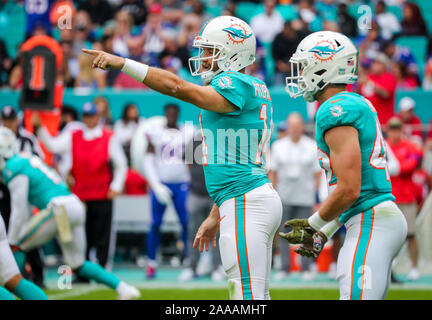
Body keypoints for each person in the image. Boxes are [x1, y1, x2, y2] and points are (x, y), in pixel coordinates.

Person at [82, 15, 282, 300]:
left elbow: (177, 87)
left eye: (210, 51)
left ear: (233, 53)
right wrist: (216, 214)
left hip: (246, 200)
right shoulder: (249, 87)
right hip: (248, 196)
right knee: (256, 295)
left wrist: (124, 63)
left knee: (246, 296)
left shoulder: (233, 83)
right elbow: (234, 164)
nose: (202, 58)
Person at [281, 31, 407, 300]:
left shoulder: (335, 108)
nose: (300, 73)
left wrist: (313, 224)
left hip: (370, 220)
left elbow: (349, 189)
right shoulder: (353, 102)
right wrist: (324, 231)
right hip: (374, 218)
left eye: (304, 66)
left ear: (323, 66)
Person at [0, 127, 139, 300]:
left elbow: (20, 210)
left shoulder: (13, 168)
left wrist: (12, 239)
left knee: (17, 245)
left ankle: (15, 289)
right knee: (77, 263)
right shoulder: (25, 158)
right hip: (73, 204)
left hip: (59, 208)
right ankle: (123, 288)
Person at [34, 102, 128, 270]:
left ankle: (103, 268)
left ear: (97, 117)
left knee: (103, 235)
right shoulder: (74, 135)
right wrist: (40, 129)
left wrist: (116, 185)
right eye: (86, 116)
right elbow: (53, 146)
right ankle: (82, 270)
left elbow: (121, 164)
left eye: (91, 116)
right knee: (82, 235)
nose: (88, 119)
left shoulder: (108, 136)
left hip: (102, 193)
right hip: (80, 195)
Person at [141, 103, 193, 279]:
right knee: (155, 224)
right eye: (168, 112)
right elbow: (147, 160)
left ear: (178, 114)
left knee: (187, 223)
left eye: (174, 112)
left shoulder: (187, 132)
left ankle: (189, 262)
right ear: (165, 114)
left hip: (182, 183)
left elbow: (193, 160)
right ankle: (151, 262)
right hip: (161, 183)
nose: (171, 115)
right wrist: (155, 184)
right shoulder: (155, 132)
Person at [268, 112, 322, 281]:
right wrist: (272, 196)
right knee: (284, 234)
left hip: (305, 197)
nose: (294, 129)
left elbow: (317, 174)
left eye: (297, 125)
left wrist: (316, 198)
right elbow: (273, 173)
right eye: (291, 126)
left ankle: (306, 267)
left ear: (302, 127)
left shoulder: (312, 146)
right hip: (283, 197)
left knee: (306, 234)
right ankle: (285, 267)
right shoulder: (277, 145)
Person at [178, 131, 224, 282]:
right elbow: (189, 164)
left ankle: (217, 267)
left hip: (215, 195)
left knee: (217, 232)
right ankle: (191, 267)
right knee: (193, 231)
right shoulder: (195, 140)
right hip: (196, 193)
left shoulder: (222, 138)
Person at [385, 117, 422, 281]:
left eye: (397, 129)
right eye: (392, 129)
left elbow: (411, 165)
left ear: (401, 130)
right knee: (388, 235)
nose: (394, 133)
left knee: (411, 234)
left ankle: (414, 267)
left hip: (407, 197)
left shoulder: (409, 146)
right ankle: (388, 269)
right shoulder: (384, 146)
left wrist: (397, 166)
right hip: (389, 197)